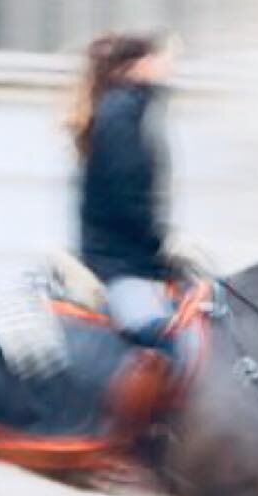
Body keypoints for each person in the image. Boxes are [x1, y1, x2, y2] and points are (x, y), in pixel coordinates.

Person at [66, 29, 184, 366]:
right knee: (165, 345)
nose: (172, 68)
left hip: (135, 261)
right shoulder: (120, 115)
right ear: (140, 65)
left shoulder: (131, 111)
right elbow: (125, 200)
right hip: (120, 266)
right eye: (166, 59)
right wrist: (159, 247)